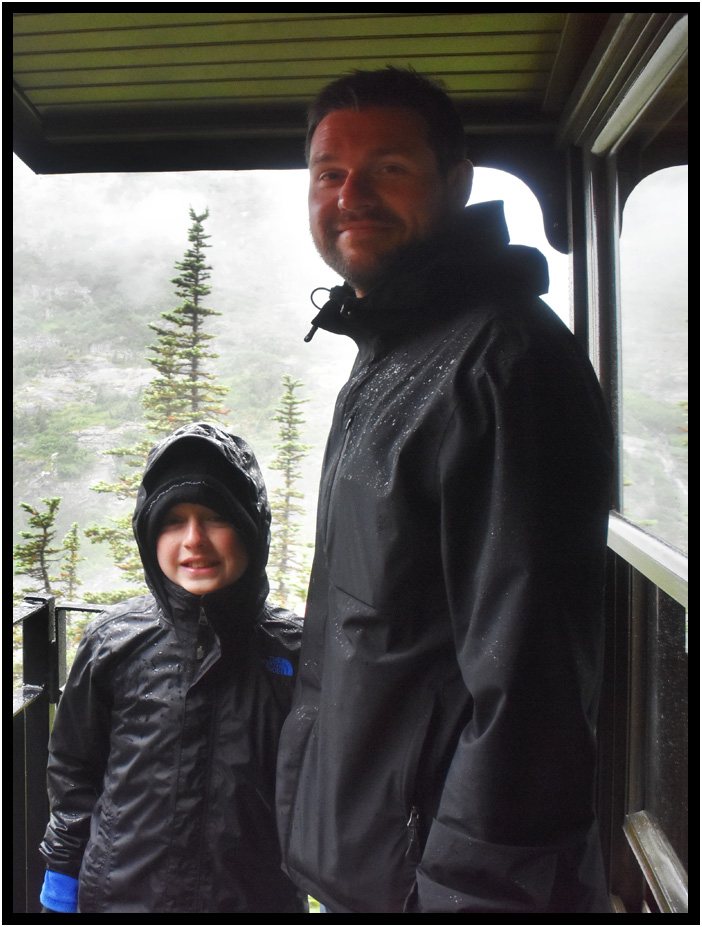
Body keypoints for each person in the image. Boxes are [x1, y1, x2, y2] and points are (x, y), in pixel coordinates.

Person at [276, 68, 614, 913]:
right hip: (383, 868)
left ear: (455, 181)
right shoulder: (398, 352)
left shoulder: (500, 365)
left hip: (446, 887)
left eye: (388, 167)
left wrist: (466, 896)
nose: (351, 195)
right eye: (329, 172)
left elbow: (530, 687)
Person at [39, 421, 305, 914]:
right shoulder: (114, 642)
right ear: (148, 534)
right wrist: (60, 879)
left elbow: (329, 794)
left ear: (251, 528)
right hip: (119, 901)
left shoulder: (294, 653)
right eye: (172, 521)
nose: (194, 540)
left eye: (216, 517)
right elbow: (75, 769)